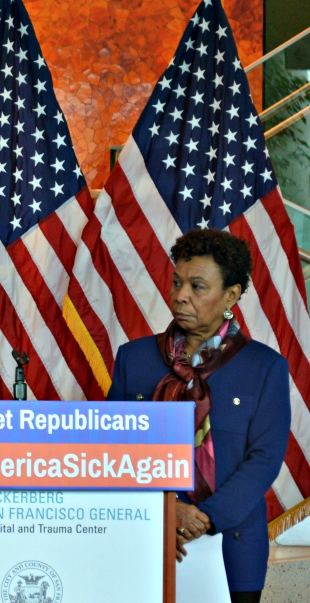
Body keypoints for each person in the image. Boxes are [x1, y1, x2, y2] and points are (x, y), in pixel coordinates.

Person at [107, 229, 290, 603]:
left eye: (197, 286)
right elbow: (112, 449)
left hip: (232, 550)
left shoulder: (265, 368)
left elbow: (265, 459)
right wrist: (167, 508)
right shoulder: (134, 359)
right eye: (177, 282)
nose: (180, 295)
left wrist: (202, 518)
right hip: (147, 538)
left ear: (231, 296)